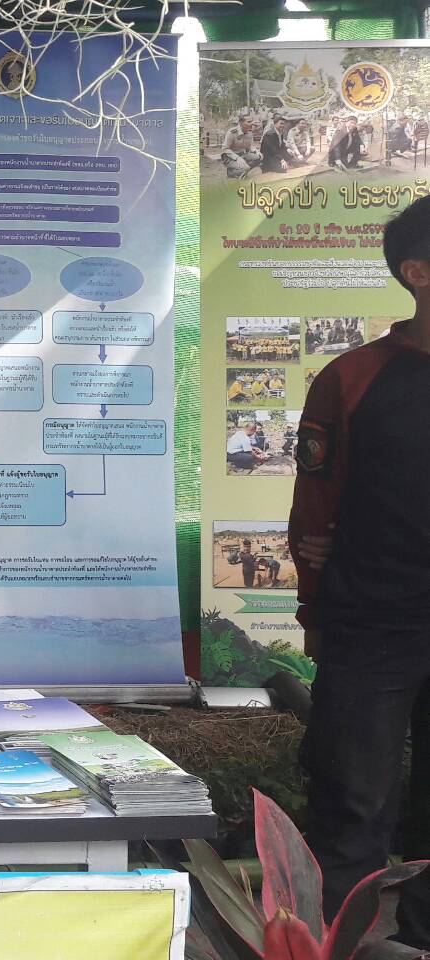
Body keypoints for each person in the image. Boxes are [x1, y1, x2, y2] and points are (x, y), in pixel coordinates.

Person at [292, 193, 430, 951]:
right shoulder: (353, 378)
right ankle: (338, 946)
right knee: (351, 807)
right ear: (417, 272)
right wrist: (315, 611)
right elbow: (314, 505)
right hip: (371, 626)